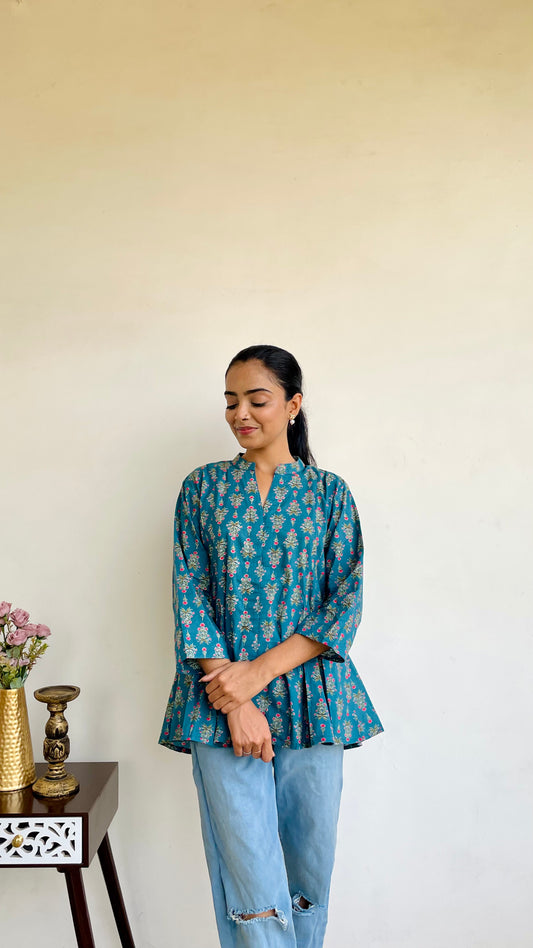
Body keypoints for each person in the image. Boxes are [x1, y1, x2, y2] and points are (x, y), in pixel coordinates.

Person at [159, 344, 383, 948]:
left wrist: (255, 676)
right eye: (231, 401)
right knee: (249, 878)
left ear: (293, 404)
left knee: (309, 872)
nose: (241, 413)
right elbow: (190, 595)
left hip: (314, 701)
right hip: (219, 701)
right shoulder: (201, 490)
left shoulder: (330, 495)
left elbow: (345, 602)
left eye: (257, 400)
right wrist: (235, 699)